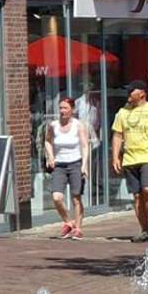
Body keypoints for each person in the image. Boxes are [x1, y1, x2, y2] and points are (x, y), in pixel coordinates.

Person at [110, 81, 148, 244]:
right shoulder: (122, 112)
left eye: (132, 91)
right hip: (130, 158)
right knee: (137, 196)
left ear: (142, 93)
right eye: (128, 90)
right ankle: (144, 230)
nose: (128, 94)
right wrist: (115, 157)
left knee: (147, 190)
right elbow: (117, 135)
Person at [43, 95, 92, 239]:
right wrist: (50, 156)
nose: (62, 111)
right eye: (60, 108)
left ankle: (78, 228)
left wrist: (84, 165)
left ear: (72, 110)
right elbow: (47, 141)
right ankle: (68, 222)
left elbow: (85, 146)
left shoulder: (78, 125)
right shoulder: (53, 126)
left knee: (76, 198)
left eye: (65, 108)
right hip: (60, 165)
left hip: (75, 163)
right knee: (57, 197)